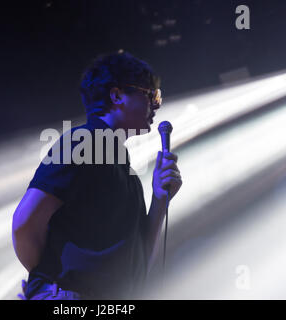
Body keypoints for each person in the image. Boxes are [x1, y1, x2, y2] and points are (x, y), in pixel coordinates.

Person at [12, 51, 182, 300]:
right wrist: (50, 283)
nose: (156, 105)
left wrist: (160, 199)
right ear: (117, 95)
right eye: (150, 94)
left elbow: (139, 261)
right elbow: (24, 223)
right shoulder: (84, 141)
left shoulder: (122, 167)